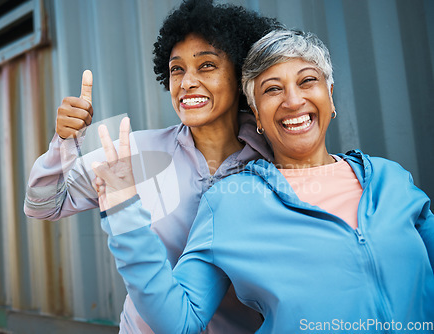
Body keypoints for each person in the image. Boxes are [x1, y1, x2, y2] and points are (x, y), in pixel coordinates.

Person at [92, 29, 434, 333]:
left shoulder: (392, 180)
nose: (293, 100)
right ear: (256, 114)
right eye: (272, 89)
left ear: (330, 96)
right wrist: (125, 218)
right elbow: (177, 322)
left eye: (307, 81)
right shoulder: (229, 202)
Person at [24, 0, 282, 332]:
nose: (187, 82)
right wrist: (64, 141)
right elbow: (43, 204)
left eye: (206, 66)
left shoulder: (275, 161)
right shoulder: (136, 152)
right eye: (177, 69)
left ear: (240, 75)